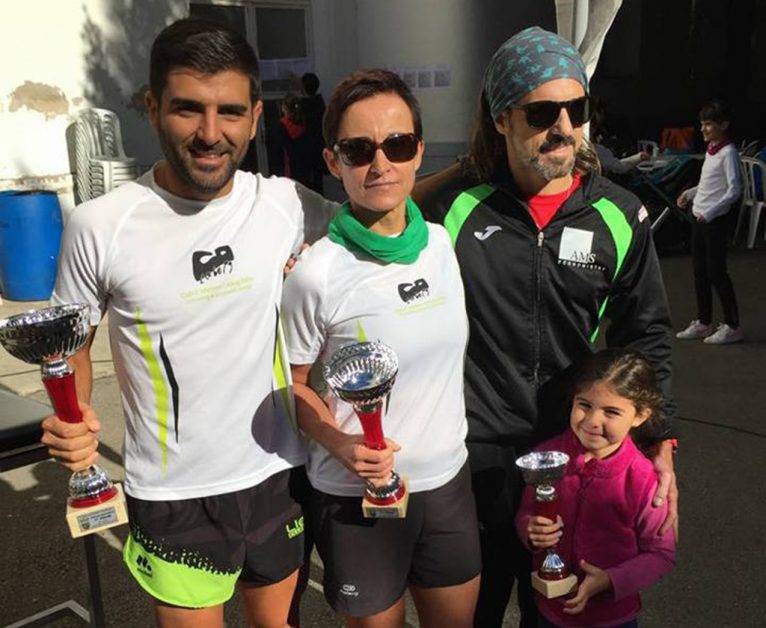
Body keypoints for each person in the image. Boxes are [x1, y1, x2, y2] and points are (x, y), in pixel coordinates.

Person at [40, 18, 335, 628]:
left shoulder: (283, 202)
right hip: (175, 494)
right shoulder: (100, 225)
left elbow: (381, 213)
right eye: (187, 109)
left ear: (256, 117)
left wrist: (475, 172)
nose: (210, 133)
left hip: (279, 475)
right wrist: (72, 415)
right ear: (152, 108)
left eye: (229, 111)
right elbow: (71, 342)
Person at [419, 27, 679, 627]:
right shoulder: (454, 207)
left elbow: (649, 337)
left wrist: (657, 443)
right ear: (502, 117)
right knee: (475, 615)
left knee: (561, 614)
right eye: (541, 111)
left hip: (575, 452)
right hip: (475, 454)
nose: (564, 125)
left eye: (577, 108)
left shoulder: (619, 212)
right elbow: (379, 244)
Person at [281, 69, 481, 628]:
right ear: (332, 160)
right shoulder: (315, 273)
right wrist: (340, 443)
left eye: (396, 144)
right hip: (353, 497)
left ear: (418, 151)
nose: (379, 163)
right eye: (358, 149)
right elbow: (289, 386)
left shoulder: (441, 245)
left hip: (445, 485)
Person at [515, 348, 676, 628]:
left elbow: (661, 554)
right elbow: (526, 512)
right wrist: (530, 529)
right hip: (549, 612)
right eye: (584, 405)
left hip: (612, 618)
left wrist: (611, 581)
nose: (592, 421)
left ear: (640, 416)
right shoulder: (548, 456)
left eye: (611, 412)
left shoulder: (644, 478)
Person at [676, 99, 743, 344]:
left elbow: (734, 190)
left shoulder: (728, 153)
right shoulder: (712, 149)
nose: (703, 129)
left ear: (723, 125)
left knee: (717, 273)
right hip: (699, 218)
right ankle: (703, 322)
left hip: (713, 222)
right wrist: (690, 193)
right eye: (702, 124)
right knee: (699, 272)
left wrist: (711, 212)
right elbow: (709, 184)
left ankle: (733, 325)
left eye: (708, 124)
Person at [275, 93, 312, 188]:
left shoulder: (282, 126)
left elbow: (277, 150)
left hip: (288, 168)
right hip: (304, 167)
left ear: (284, 108)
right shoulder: (304, 123)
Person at [300, 72, 328, 194]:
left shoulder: (304, 106)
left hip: (307, 148)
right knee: (317, 181)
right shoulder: (320, 103)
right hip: (318, 146)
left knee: (308, 181)